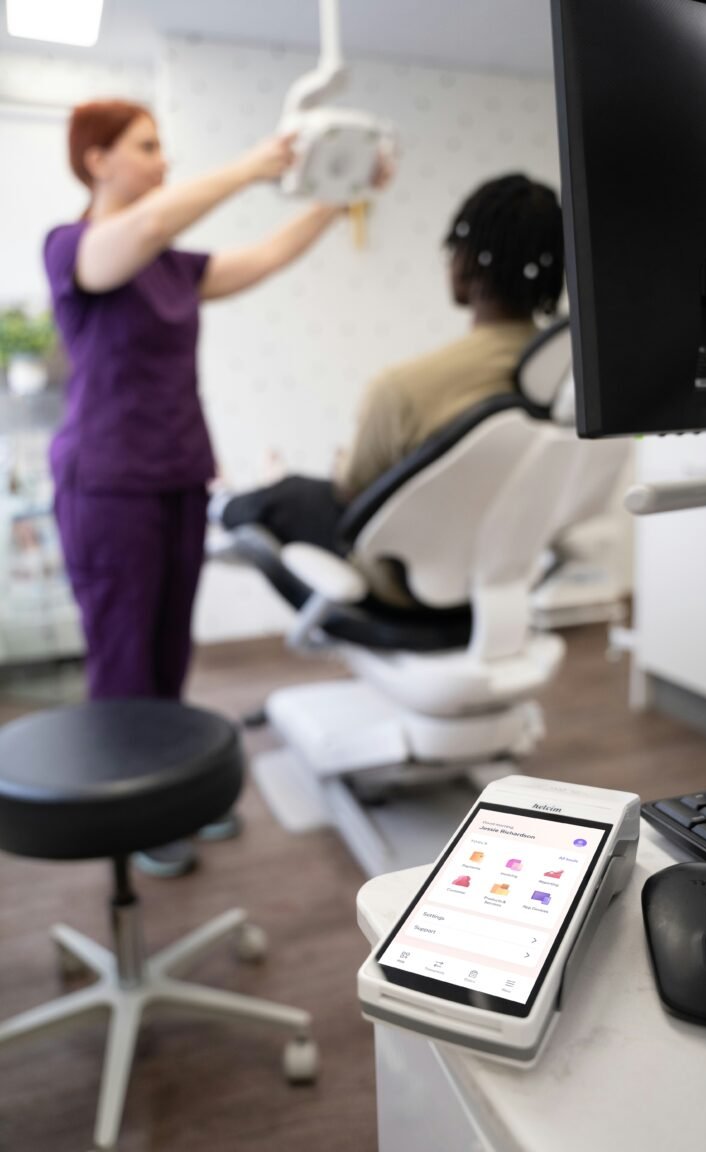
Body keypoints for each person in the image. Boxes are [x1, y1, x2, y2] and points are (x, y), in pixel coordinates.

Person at [44, 99, 358, 876]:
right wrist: (253, 164)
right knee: (124, 657)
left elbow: (267, 257)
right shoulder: (75, 249)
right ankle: (130, 813)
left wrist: (339, 196)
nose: (162, 161)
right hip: (108, 483)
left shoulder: (173, 268)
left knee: (169, 649)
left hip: (180, 473)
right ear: (97, 160)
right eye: (146, 147)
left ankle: (169, 796)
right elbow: (144, 227)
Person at [218, 173, 565, 592]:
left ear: (469, 260)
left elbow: (352, 492)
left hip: (403, 580)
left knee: (288, 494)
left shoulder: (403, 389)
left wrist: (344, 467)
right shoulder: (564, 377)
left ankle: (227, 502)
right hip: (500, 572)